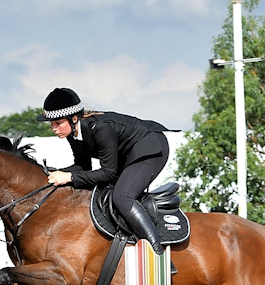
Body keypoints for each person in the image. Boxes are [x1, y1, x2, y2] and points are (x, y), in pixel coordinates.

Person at [37, 87, 173, 255]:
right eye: (52, 124)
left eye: (58, 123)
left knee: (122, 196)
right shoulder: (73, 133)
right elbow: (83, 167)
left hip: (151, 149)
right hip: (128, 154)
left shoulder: (101, 128)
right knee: (106, 192)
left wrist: (68, 176)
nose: (54, 128)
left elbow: (108, 172)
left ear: (73, 119)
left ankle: (156, 250)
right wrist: (54, 173)